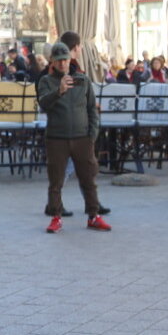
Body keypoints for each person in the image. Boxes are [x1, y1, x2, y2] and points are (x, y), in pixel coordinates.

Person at [37, 41, 110, 233]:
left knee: (88, 179)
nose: (62, 64)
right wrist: (59, 91)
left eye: (65, 60)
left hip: (82, 138)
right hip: (56, 138)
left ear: (70, 59)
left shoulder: (83, 81)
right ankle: (56, 217)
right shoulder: (46, 81)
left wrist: (92, 134)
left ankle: (94, 216)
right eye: (58, 60)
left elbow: (92, 109)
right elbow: (43, 104)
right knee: (56, 181)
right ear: (52, 61)